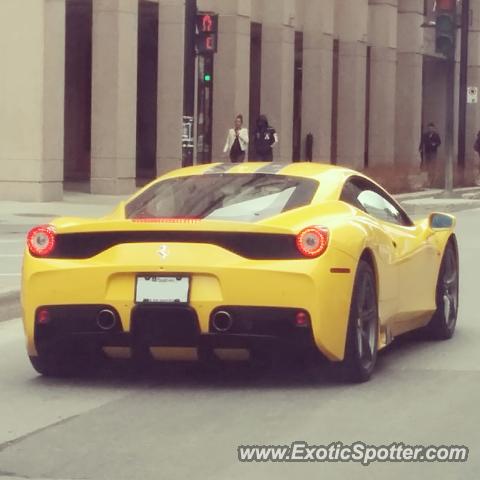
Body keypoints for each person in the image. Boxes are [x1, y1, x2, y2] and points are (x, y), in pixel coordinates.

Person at [419, 122, 441, 187]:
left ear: (433, 128)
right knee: (427, 164)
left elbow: (439, 142)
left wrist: (435, 144)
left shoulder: (436, 135)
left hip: (433, 151)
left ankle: (433, 179)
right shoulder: (425, 135)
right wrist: (420, 148)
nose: (430, 129)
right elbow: (422, 142)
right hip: (427, 151)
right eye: (429, 128)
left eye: (431, 128)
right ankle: (428, 178)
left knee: (433, 165)